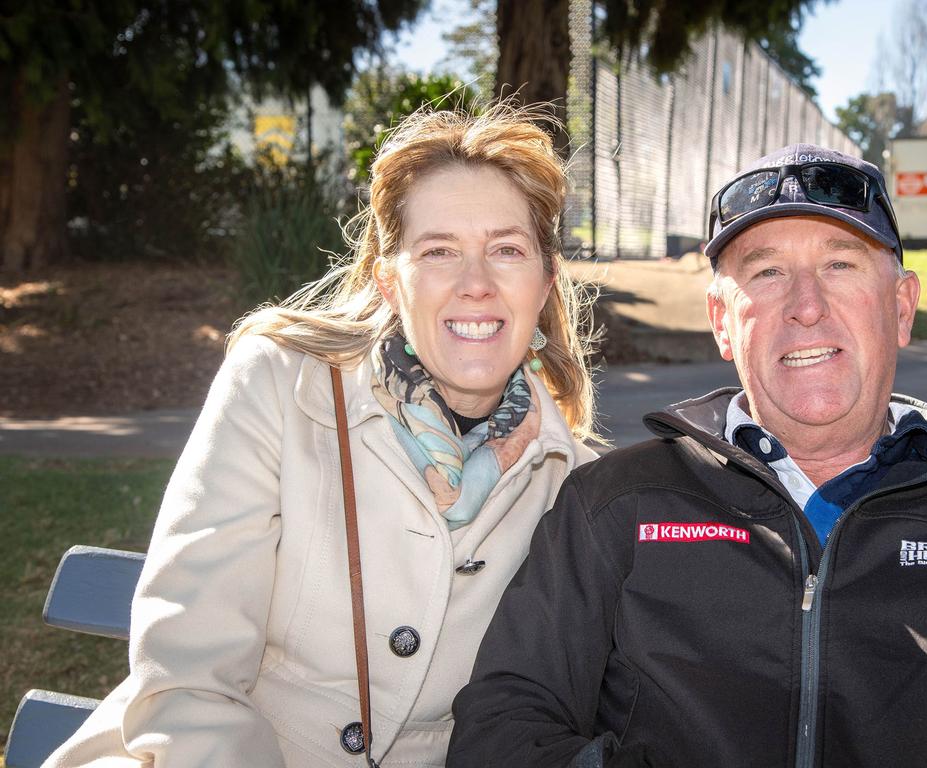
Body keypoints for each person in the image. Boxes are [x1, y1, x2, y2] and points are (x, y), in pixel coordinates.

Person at [44, 104, 597, 768]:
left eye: (506, 250)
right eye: (439, 251)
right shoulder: (279, 387)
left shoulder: (576, 485)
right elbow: (191, 676)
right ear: (391, 282)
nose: (475, 284)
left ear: (542, 283)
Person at [447, 144, 927, 767]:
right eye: (767, 272)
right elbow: (500, 731)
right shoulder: (613, 505)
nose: (807, 306)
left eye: (841, 265)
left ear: (902, 307)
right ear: (722, 321)